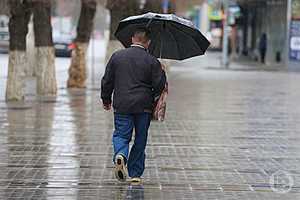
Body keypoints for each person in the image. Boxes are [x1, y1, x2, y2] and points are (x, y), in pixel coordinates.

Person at [101, 28, 166, 184]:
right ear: (148, 42)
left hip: (122, 104)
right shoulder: (152, 60)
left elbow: (107, 80)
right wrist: (161, 72)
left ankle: (121, 155)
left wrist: (106, 99)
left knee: (121, 135)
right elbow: (159, 86)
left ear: (132, 39)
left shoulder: (117, 56)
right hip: (143, 106)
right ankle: (135, 173)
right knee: (140, 139)